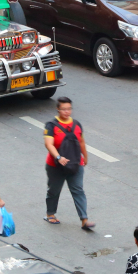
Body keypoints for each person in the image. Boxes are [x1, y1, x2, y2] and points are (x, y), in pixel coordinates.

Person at [43, 97, 94, 230]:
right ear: (58, 109)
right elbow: (48, 144)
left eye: (69, 109)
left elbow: (81, 142)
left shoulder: (76, 124)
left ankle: (84, 220)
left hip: (76, 163)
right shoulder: (51, 125)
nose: (67, 112)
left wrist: (85, 156)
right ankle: (50, 213)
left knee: (78, 190)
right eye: (64, 109)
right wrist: (58, 157)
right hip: (56, 165)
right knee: (54, 190)